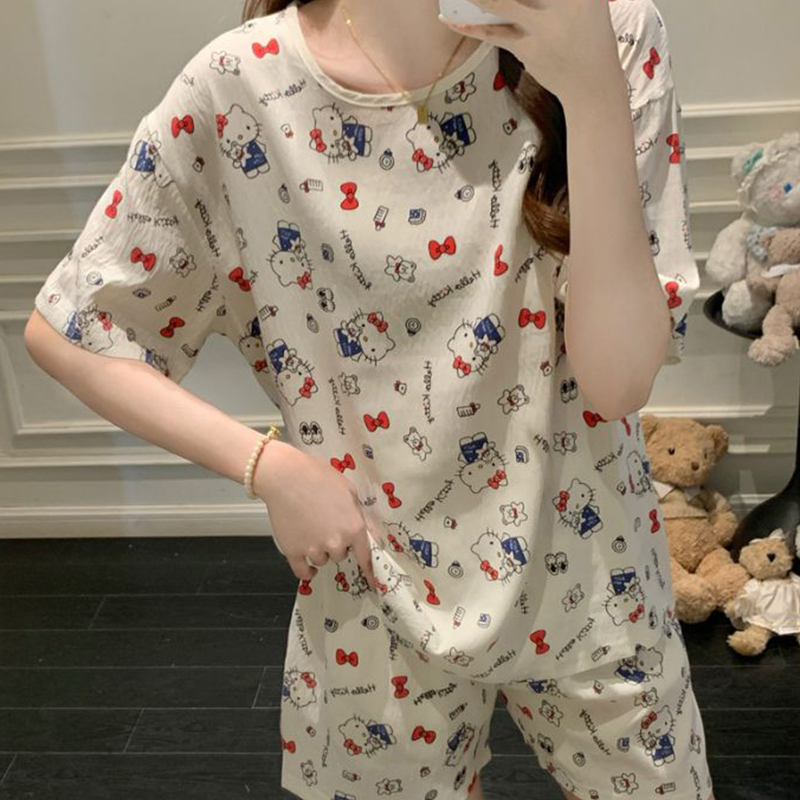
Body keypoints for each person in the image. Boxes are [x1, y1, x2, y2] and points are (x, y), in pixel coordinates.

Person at [24, 1, 716, 798]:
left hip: (596, 584)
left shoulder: (612, 31)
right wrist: (269, 468)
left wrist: (591, 87)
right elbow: (74, 326)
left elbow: (618, 381)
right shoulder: (243, 82)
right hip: (373, 592)